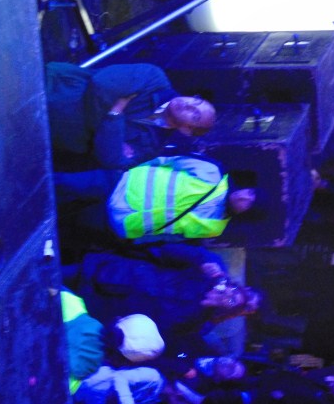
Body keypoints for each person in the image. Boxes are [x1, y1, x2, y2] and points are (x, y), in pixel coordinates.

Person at [72, 243, 261, 351]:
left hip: (103, 307)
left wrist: (202, 311)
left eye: (235, 303)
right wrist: (200, 261)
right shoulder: (211, 268)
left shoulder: (201, 324)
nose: (228, 295)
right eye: (235, 292)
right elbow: (167, 250)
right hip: (107, 272)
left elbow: (161, 335)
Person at [46, 62, 216, 171]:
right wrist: (104, 138)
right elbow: (101, 85)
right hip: (52, 89)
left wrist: (115, 112)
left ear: (186, 130)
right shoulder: (154, 78)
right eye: (196, 101)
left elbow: (111, 160)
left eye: (195, 115)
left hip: (50, 135)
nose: (188, 104)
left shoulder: (151, 147)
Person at [55, 155, 256, 242]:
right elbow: (167, 160)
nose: (244, 196)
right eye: (250, 192)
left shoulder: (215, 229)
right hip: (121, 183)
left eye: (249, 203)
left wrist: (137, 239)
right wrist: (129, 168)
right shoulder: (214, 173)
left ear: (246, 214)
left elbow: (173, 237)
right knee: (62, 183)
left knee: (63, 221)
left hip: (121, 222)